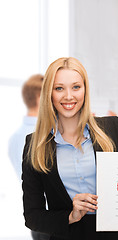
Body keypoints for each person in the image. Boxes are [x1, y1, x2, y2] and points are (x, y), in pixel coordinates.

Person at [22, 57, 118, 240]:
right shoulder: (35, 146)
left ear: (85, 91)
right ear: (49, 93)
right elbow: (32, 216)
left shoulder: (113, 129)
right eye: (59, 88)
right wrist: (70, 216)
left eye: (76, 87)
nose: (69, 96)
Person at [8, 74, 50, 240]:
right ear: (40, 98)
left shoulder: (15, 137)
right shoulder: (39, 136)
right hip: (51, 220)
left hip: (41, 220)